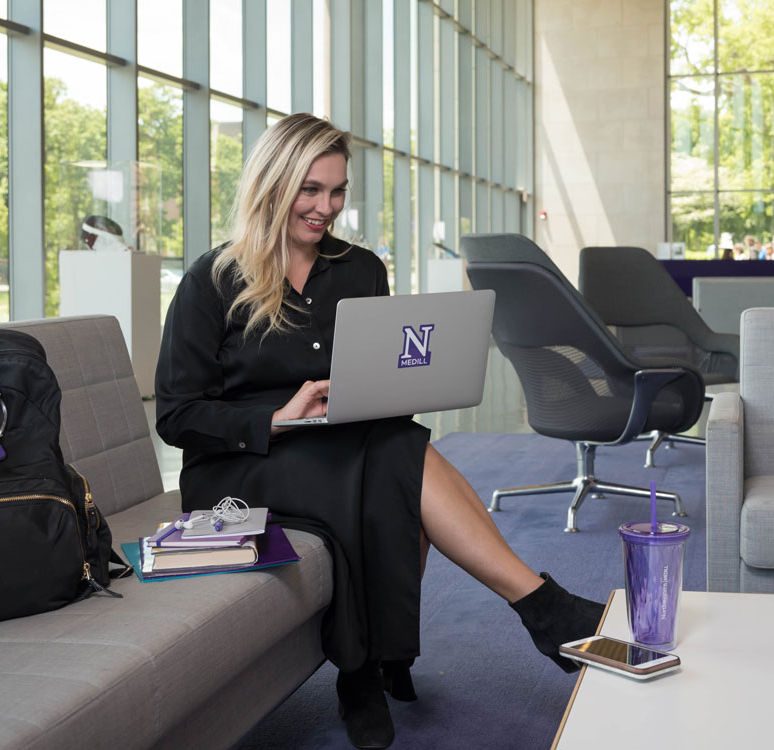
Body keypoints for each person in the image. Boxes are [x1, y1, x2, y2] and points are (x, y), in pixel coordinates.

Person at [154, 113, 603, 750]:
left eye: (337, 192)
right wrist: (278, 416)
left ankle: (373, 666)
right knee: (393, 463)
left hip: (343, 441)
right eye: (310, 190)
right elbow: (174, 416)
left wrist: (396, 391)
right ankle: (517, 615)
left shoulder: (362, 269)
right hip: (241, 463)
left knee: (396, 444)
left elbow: (383, 370)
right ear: (273, 184)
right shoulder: (212, 280)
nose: (326, 207)